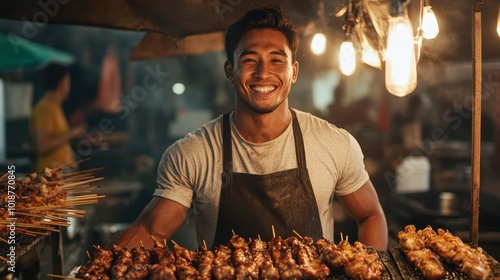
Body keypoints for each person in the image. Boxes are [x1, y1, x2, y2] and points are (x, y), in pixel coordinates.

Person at [111, 6, 388, 251]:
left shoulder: (333, 143)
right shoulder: (192, 153)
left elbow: (370, 215)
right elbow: (150, 231)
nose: (263, 73)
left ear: (293, 71)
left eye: (277, 60)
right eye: (249, 60)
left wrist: (367, 268)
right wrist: (96, 270)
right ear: (230, 71)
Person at [30, 64, 86, 173]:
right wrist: (72, 133)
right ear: (63, 82)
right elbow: (42, 146)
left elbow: (58, 139)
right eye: (68, 81)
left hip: (62, 174)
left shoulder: (55, 107)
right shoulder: (45, 108)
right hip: (52, 177)